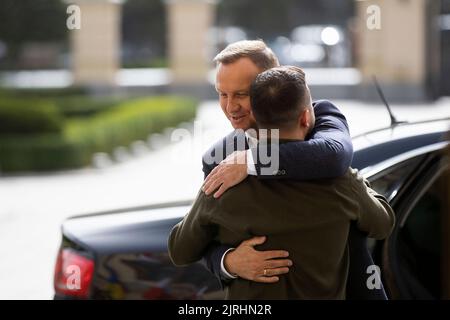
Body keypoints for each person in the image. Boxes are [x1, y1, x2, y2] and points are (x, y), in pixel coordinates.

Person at [168, 66, 395, 299]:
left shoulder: (223, 183)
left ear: (255, 114)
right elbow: (383, 223)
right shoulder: (341, 181)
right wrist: (359, 184)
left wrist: (228, 259)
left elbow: (180, 250)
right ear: (306, 117)